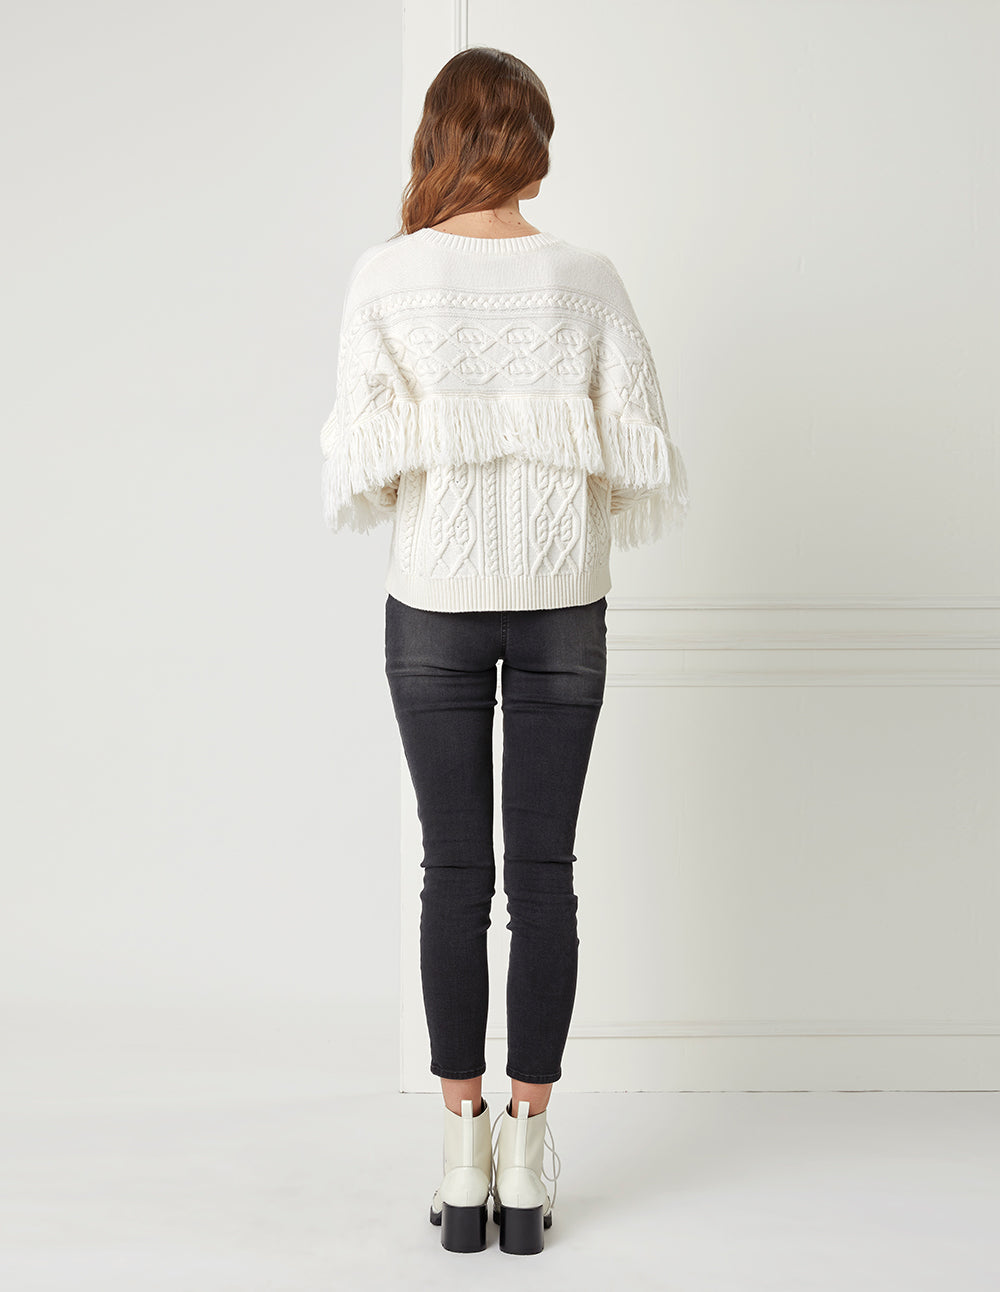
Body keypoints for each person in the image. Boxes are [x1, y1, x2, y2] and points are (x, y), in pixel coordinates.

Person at [318, 46, 689, 1255]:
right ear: (531, 139)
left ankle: (461, 1148)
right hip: (562, 602)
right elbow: (636, 446)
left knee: (452, 873)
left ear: (438, 139)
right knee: (542, 877)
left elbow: (365, 457)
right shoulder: (587, 279)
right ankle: (526, 1159)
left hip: (431, 602)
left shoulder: (388, 276)